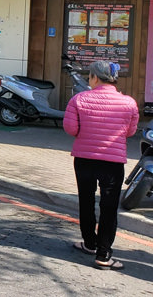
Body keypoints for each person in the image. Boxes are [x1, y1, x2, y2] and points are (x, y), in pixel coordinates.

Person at [63, 61, 138, 271]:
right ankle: (103, 254)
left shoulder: (79, 99)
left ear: (95, 78)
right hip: (112, 162)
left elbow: (70, 128)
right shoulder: (129, 103)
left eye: (89, 76)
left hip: (84, 159)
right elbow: (130, 132)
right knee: (109, 207)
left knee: (86, 202)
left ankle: (89, 242)